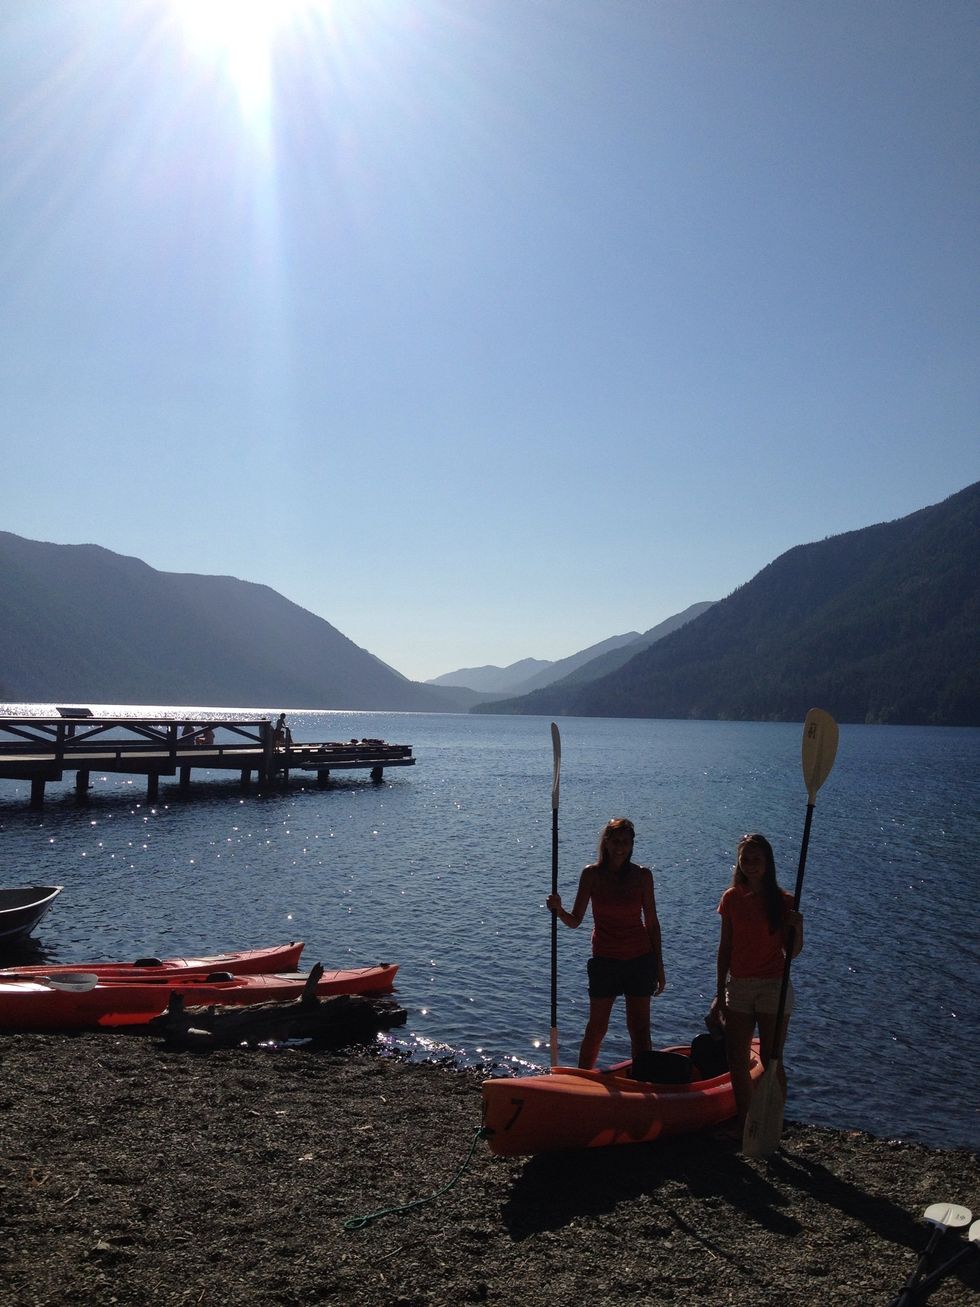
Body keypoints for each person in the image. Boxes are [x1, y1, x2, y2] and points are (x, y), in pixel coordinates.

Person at [547, 817, 666, 1069]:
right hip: (605, 960)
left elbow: (652, 923)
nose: (620, 847)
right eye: (616, 841)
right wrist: (558, 910)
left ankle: (643, 1077)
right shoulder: (591, 875)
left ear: (632, 844)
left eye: (626, 841)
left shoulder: (642, 876)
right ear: (606, 842)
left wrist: (659, 967)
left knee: (640, 1029)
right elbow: (575, 920)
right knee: (597, 1027)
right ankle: (582, 1078)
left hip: (639, 959)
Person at [715, 832, 803, 1137]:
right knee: (736, 1058)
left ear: (768, 863)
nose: (751, 864)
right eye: (746, 859)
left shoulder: (784, 902)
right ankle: (746, 1122)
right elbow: (725, 948)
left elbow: (792, 953)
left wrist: (798, 928)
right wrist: (719, 992)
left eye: (757, 859)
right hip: (739, 985)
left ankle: (774, 1122)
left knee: (770, 1057)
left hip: (773, 986)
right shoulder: (731, 898)